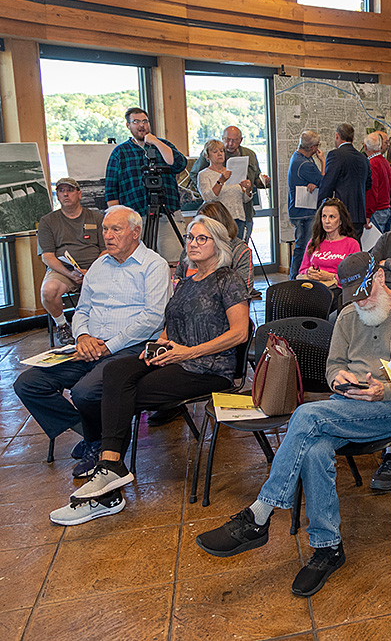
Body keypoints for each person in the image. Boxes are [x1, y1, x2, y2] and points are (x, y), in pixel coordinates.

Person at [196, 252, 391, 596]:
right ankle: (327, 548)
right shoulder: (349, 315)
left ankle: (260, 513)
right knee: (315, 447)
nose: (361, 302)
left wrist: (385, 390)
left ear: (380, 276)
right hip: (344, 405)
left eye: (366, 293)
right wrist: (340, 379)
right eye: (354, 296)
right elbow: (333, 365)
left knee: (307, 415)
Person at [56, 215, 249, 522]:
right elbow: (170, 323)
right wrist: (158, 345)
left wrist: (188, 352)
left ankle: (108, 484)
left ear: (218, 244)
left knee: (124, 395)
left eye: (202, 238)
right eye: (189, 237)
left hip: (207, 367)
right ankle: (112, 467)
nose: (193, 243)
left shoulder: (228, 280)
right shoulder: (188, 279)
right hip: (175, 357)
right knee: (115, 373)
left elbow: (239, 333)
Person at [15, 206, 169, 482]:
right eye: (105, 230)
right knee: (28, 383)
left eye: (115, 230)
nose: (107, 236)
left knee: (85, 392)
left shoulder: (154, 266)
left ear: (136, 232)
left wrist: (108, 346)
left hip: (129, 348)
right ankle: (94, 437)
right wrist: (83, 337)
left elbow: (153, 319)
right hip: (89, 347)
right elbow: (82, 309)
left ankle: (99, 441)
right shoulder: (99, 265)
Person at [104, 107, 187, 262]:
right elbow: (111, 190)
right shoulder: (120, 152)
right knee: (138, 263)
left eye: (144, 121)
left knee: (174, 261)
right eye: (136, 122)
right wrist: (116, 221)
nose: (141, 125)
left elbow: (179, 164)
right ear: (128, 125)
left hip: (167, 213)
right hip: (135, 218)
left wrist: (156, 142)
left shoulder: (163, 145)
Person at [37, 177, 106, 345]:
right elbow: (47, 256)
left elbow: (106, 250)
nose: (65, 194)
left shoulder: (97, 218)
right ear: (58, 196)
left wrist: (91, 271)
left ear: (79, 194)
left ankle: (103, 327)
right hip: (64, 270)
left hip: (97, 268)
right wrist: (70, 273)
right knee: (48, 290)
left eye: (70, 190)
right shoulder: (47, 221)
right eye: (61, 191)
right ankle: (62, 326)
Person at [189, 125, 270, 239]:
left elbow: (252, 184)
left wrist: (255, 185)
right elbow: (199, 181)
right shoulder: (206, 168)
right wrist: (213, 184)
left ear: (241, 140)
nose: (230, 144)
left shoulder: (249, 155)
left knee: (240, 249)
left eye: (234, 140)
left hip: (241, 214)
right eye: (227, 140)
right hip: (217, 216)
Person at [178, 201, 254, 294]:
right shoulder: (191, 246)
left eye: (202, 238)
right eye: (191, 237)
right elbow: (178, 277)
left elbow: (243, 293)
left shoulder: (239, 251)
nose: (194, 243)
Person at [296, 197, 360, 293]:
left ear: (341, 221)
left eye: (332, 217)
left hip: (337, 290)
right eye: (324, 216)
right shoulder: (314, 242)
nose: (327, 221)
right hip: (313, 287)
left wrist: (331, 276)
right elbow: (302, 270)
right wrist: (308, 272)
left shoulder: (351, 244)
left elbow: (355, 276)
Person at [318, 123, 372, 236]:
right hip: (359, 213)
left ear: (337, 136)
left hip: (342, 214)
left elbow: (327, 185)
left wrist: (321, 210)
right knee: (355, 248)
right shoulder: (363, 158)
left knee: (343, 248)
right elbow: (368, 184)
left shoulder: (335, 155)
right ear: (352, 138)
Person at [287, 130, 325, 279]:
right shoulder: (304, 164)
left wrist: (314, 183)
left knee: (301, 246)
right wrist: (323, 161)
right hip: (304, 213)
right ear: (314, 147)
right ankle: (296, 277)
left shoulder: (297, 157)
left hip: (300, 211)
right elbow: (323, 180)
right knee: (304, 247)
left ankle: (295, 276)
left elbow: (316, 181)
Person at [197, 139, 253, 238]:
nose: (219, 154)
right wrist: (220, 181)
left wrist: (248, 189)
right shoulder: (204, 174)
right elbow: (208, 198)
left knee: (236, 250)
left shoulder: (233, 171)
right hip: (217, 220)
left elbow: (245, 199)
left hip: (238, 218)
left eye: (222, 151)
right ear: (207, 156)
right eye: (215, 152)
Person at [362, 132, 391, 233]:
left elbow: (372, 190)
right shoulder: (384, 161)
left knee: (373, 245)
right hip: (386, 208)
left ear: (365, 146)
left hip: (376, 210)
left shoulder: (372, 164)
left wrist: (367, 214)